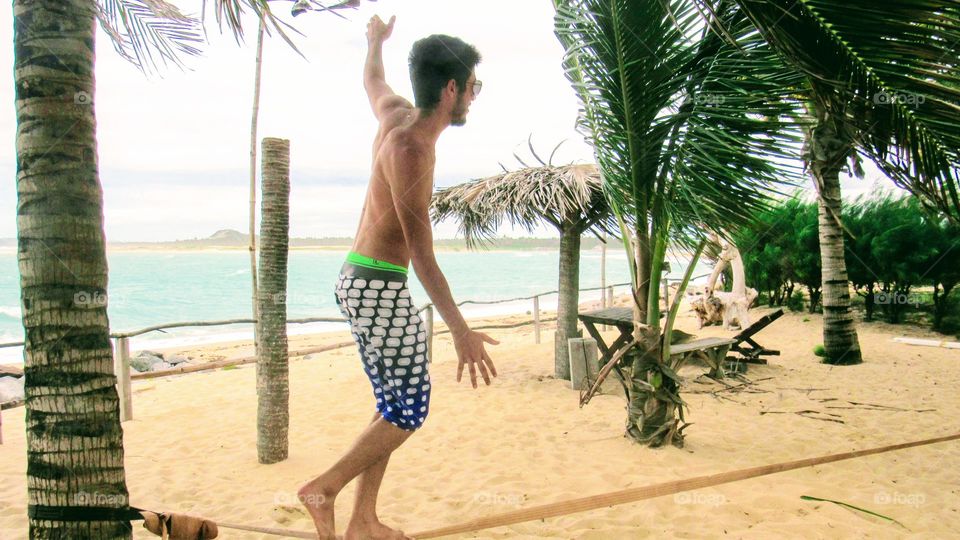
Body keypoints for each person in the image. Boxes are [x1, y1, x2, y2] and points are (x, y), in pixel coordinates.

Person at [297, 15, 499, 540]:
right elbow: (423, 256)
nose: (474, 97)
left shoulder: (394, 114)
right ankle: (323, 489)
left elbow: (371, 80)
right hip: (381, 287)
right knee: (408, 412)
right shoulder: (412, 150)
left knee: (391, 404)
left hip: (362, 281)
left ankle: (364, 522)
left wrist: (373, 42)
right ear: (451, 89)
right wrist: (460, 330)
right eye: (473, 86)